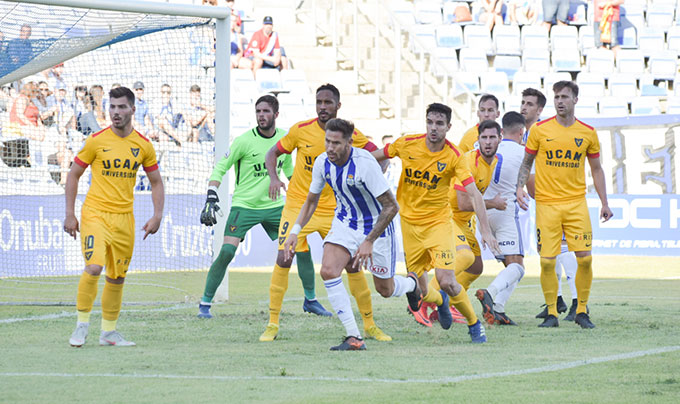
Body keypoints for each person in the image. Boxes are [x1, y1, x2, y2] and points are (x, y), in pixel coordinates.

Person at [261, 83, 387, 342]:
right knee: (284, 257)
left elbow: (380, 157)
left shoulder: (351, 134)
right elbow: (272, 153)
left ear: (338, 106)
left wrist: (372, 179)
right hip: (300, 204)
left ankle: (369, 324)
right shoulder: (300, 130)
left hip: (338, 210)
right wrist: (274, 178)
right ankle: (272, 323)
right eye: (319, 102)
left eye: (328, 103)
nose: (322, 107)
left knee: (352, 266)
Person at [283, 118, 421, 350]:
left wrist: (368, 241)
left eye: (336, 143)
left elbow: (391, 206)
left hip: (376, 228)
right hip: (345, 223)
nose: (329, 148)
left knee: (385, 290)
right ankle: (354, 336)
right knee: (328, 271)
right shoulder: (322, 163)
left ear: (349, 142)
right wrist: (295, 230)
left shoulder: (365, 164)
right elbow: (311, 201)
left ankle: (412, 285)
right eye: (327, 141)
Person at [372, 103, 500, 343]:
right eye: (430, 122)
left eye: (439, 124)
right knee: (420, 291)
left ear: (448, 127)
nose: (433, 128)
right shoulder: (406, 144)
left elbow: (474, 194)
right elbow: (374, 157)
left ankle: (474, 325)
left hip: (438, 224)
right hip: (409, 226)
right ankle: (440, 301)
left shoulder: (454, 157)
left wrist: (485, 230)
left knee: (448, 281)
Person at [65, 86, 164, 347]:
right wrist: (70, 214)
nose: (116, 112)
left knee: (117, 276)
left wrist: (157, 215)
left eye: (121, 107)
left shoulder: (143, 145)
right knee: (94, 267)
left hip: (124, 219)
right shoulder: (96, 140)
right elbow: (73, 174)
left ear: (133, 109)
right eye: (112, 107)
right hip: (95, 213)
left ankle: (108, 332)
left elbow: (156, 182)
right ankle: (81, 326)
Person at [516, 81, 613, 329]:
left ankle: (581, 310)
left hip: (576, 204)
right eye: (557, 97)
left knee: (585, 258)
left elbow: (597, 169)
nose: (560, 101)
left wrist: (604, 202)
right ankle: (551, 313)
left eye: (565, 97)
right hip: (547, 205)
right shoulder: (539, 130)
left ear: (575, 100)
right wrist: (519, 187)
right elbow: (527, 163)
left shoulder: (587, 132)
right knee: (547, 261)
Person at [196, 95, 294, 318]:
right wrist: (212, 193)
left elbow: (290, 173)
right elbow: (221, 167)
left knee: (299, 247)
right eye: (258, 111)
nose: (261, 115)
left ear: (276, 115)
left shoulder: (284, 141)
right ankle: (205, 303)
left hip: (275, 206)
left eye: (266, 111)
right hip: (245, 205)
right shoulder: (243, 141)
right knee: (227, 251)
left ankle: (311, 299)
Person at [475, 112, 534, 325]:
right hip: (505, 212)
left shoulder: (480, 147)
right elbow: (534, 189)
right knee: (517, 266)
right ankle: (490, 294)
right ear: (521, 132)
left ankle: (497, 309)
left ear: (500, 133)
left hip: (481, 212)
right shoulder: (524, 153)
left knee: (500, 266)